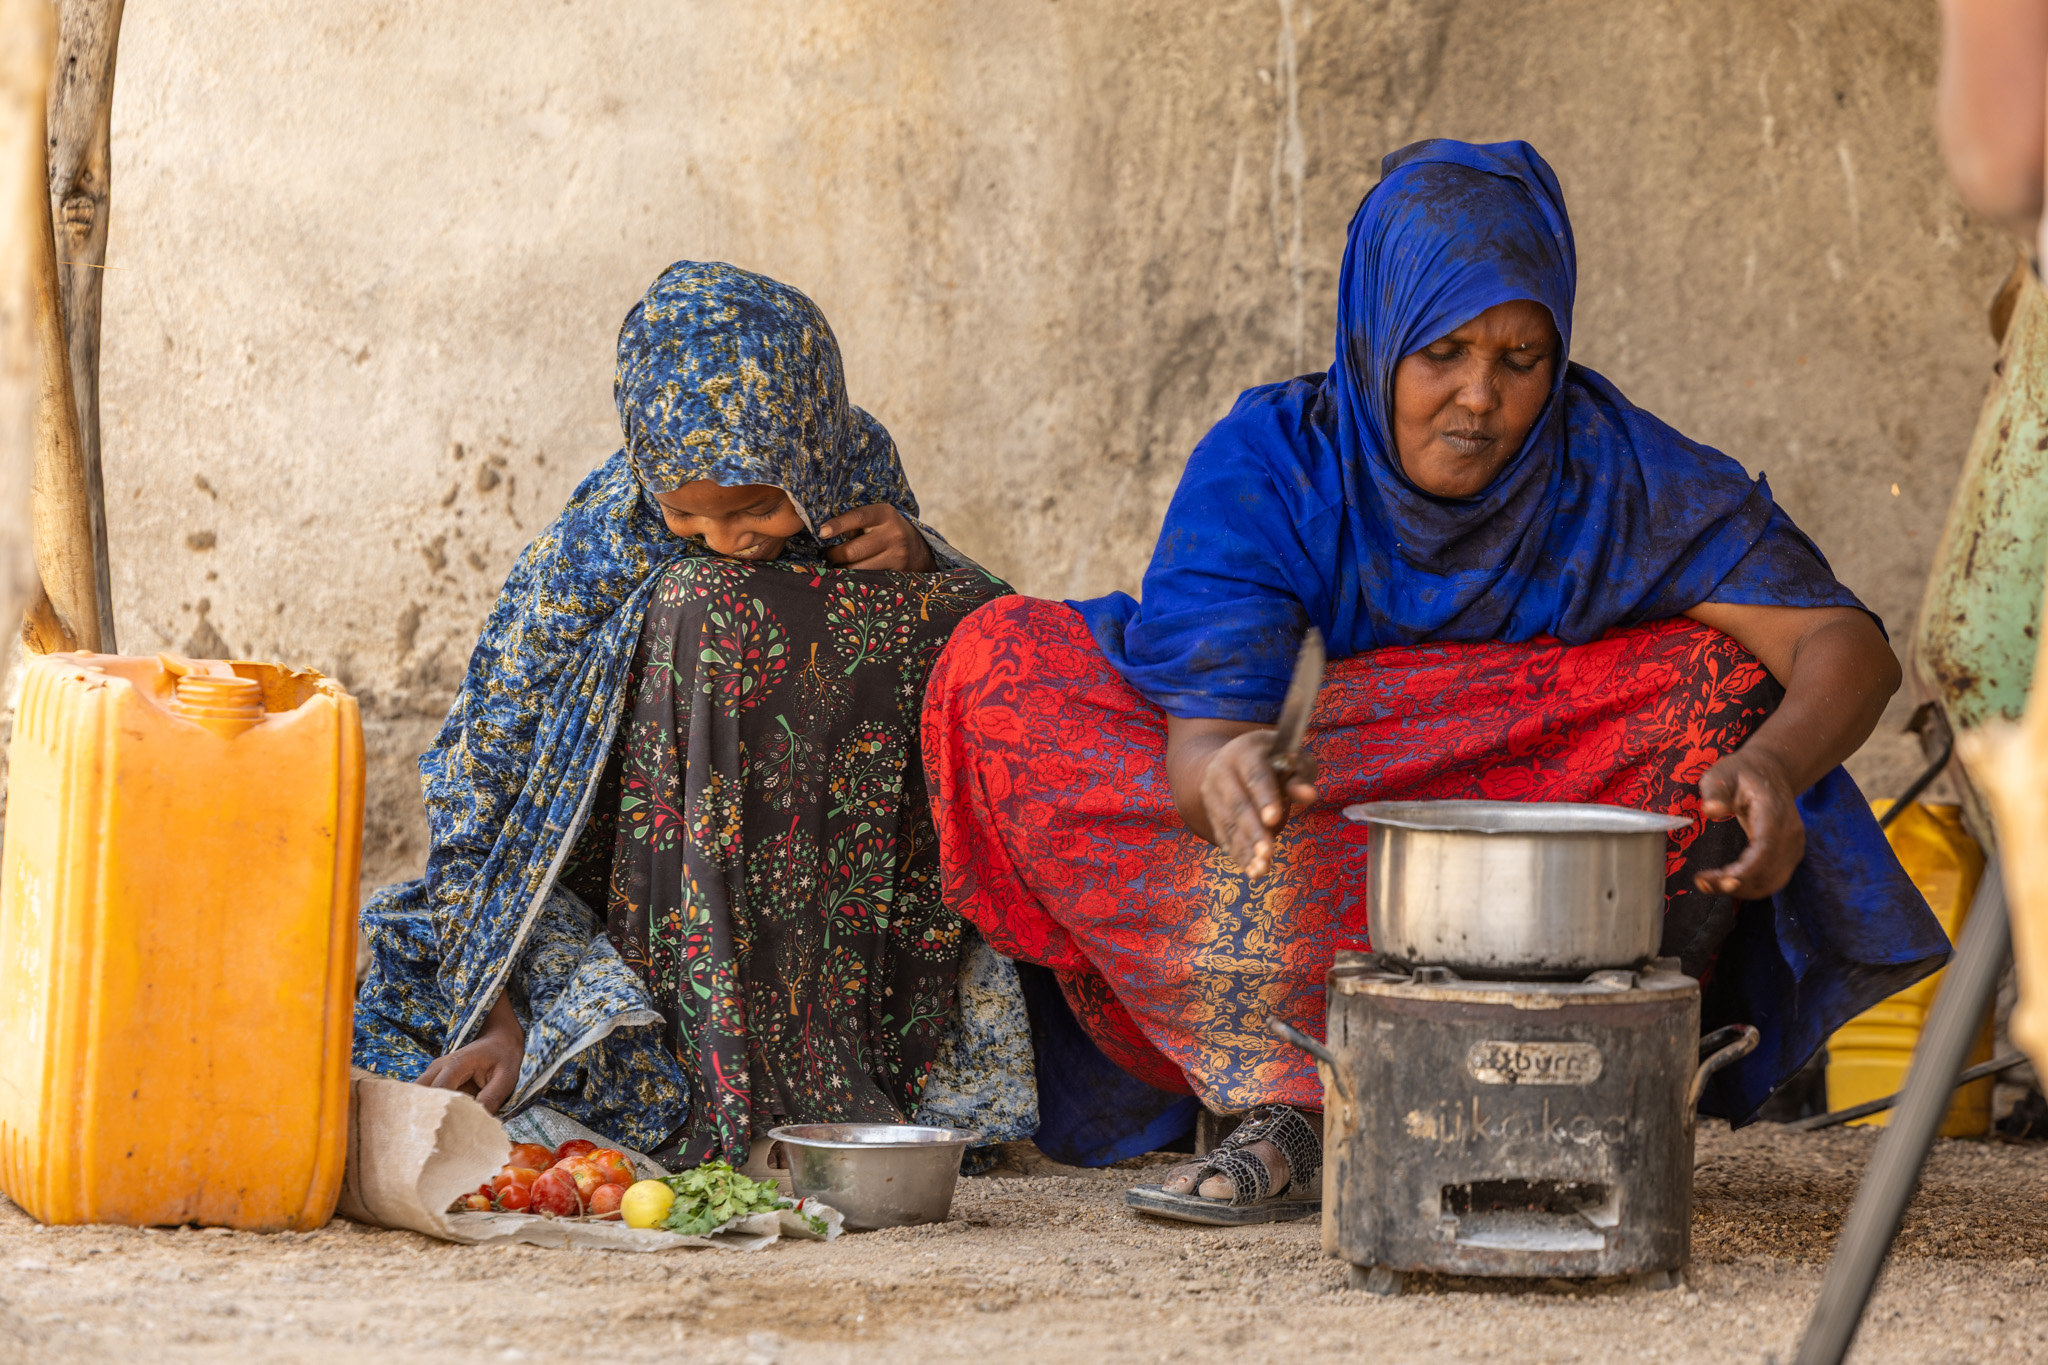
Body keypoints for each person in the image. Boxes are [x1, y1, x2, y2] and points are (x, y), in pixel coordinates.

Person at [924, 140, 1949, 1221]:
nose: (1479, 398)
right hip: (1304, 813)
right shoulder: (1271, 460)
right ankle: (1290, 1086)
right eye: (1442, 351)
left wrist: (1774, 766)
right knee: (999, 664)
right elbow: (1200, 742)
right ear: (1375, 338)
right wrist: (1226, 771)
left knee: (1714, 675)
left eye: (1520, 358)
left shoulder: (1604, 464)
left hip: (1505, 823)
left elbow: (1843, 644)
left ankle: (1539, 1065)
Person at [353, 261, 1037, 1166]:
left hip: (813, 875)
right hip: (627, 859)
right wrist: (498, 1009)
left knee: (909, 625)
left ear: (810, 451)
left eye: (756, 507)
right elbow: (481, 758)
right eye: (685, 515)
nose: (728, 538)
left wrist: (918, 556)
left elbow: (941, 648)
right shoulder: (601, 537)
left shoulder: (852, 465)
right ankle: (693, 1048)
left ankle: (840, 1051)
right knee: (705, 602)